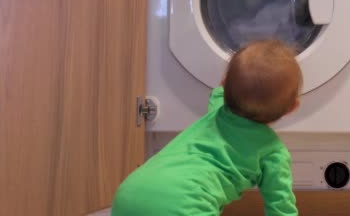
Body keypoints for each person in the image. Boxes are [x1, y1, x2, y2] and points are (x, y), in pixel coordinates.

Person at [111, 39, 301, 216]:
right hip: (186, 205)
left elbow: (219, 92)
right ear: (293, 108)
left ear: (225, 85)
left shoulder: (217, 111)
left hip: (130, 193)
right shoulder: (272, 151)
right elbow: (280, 207)